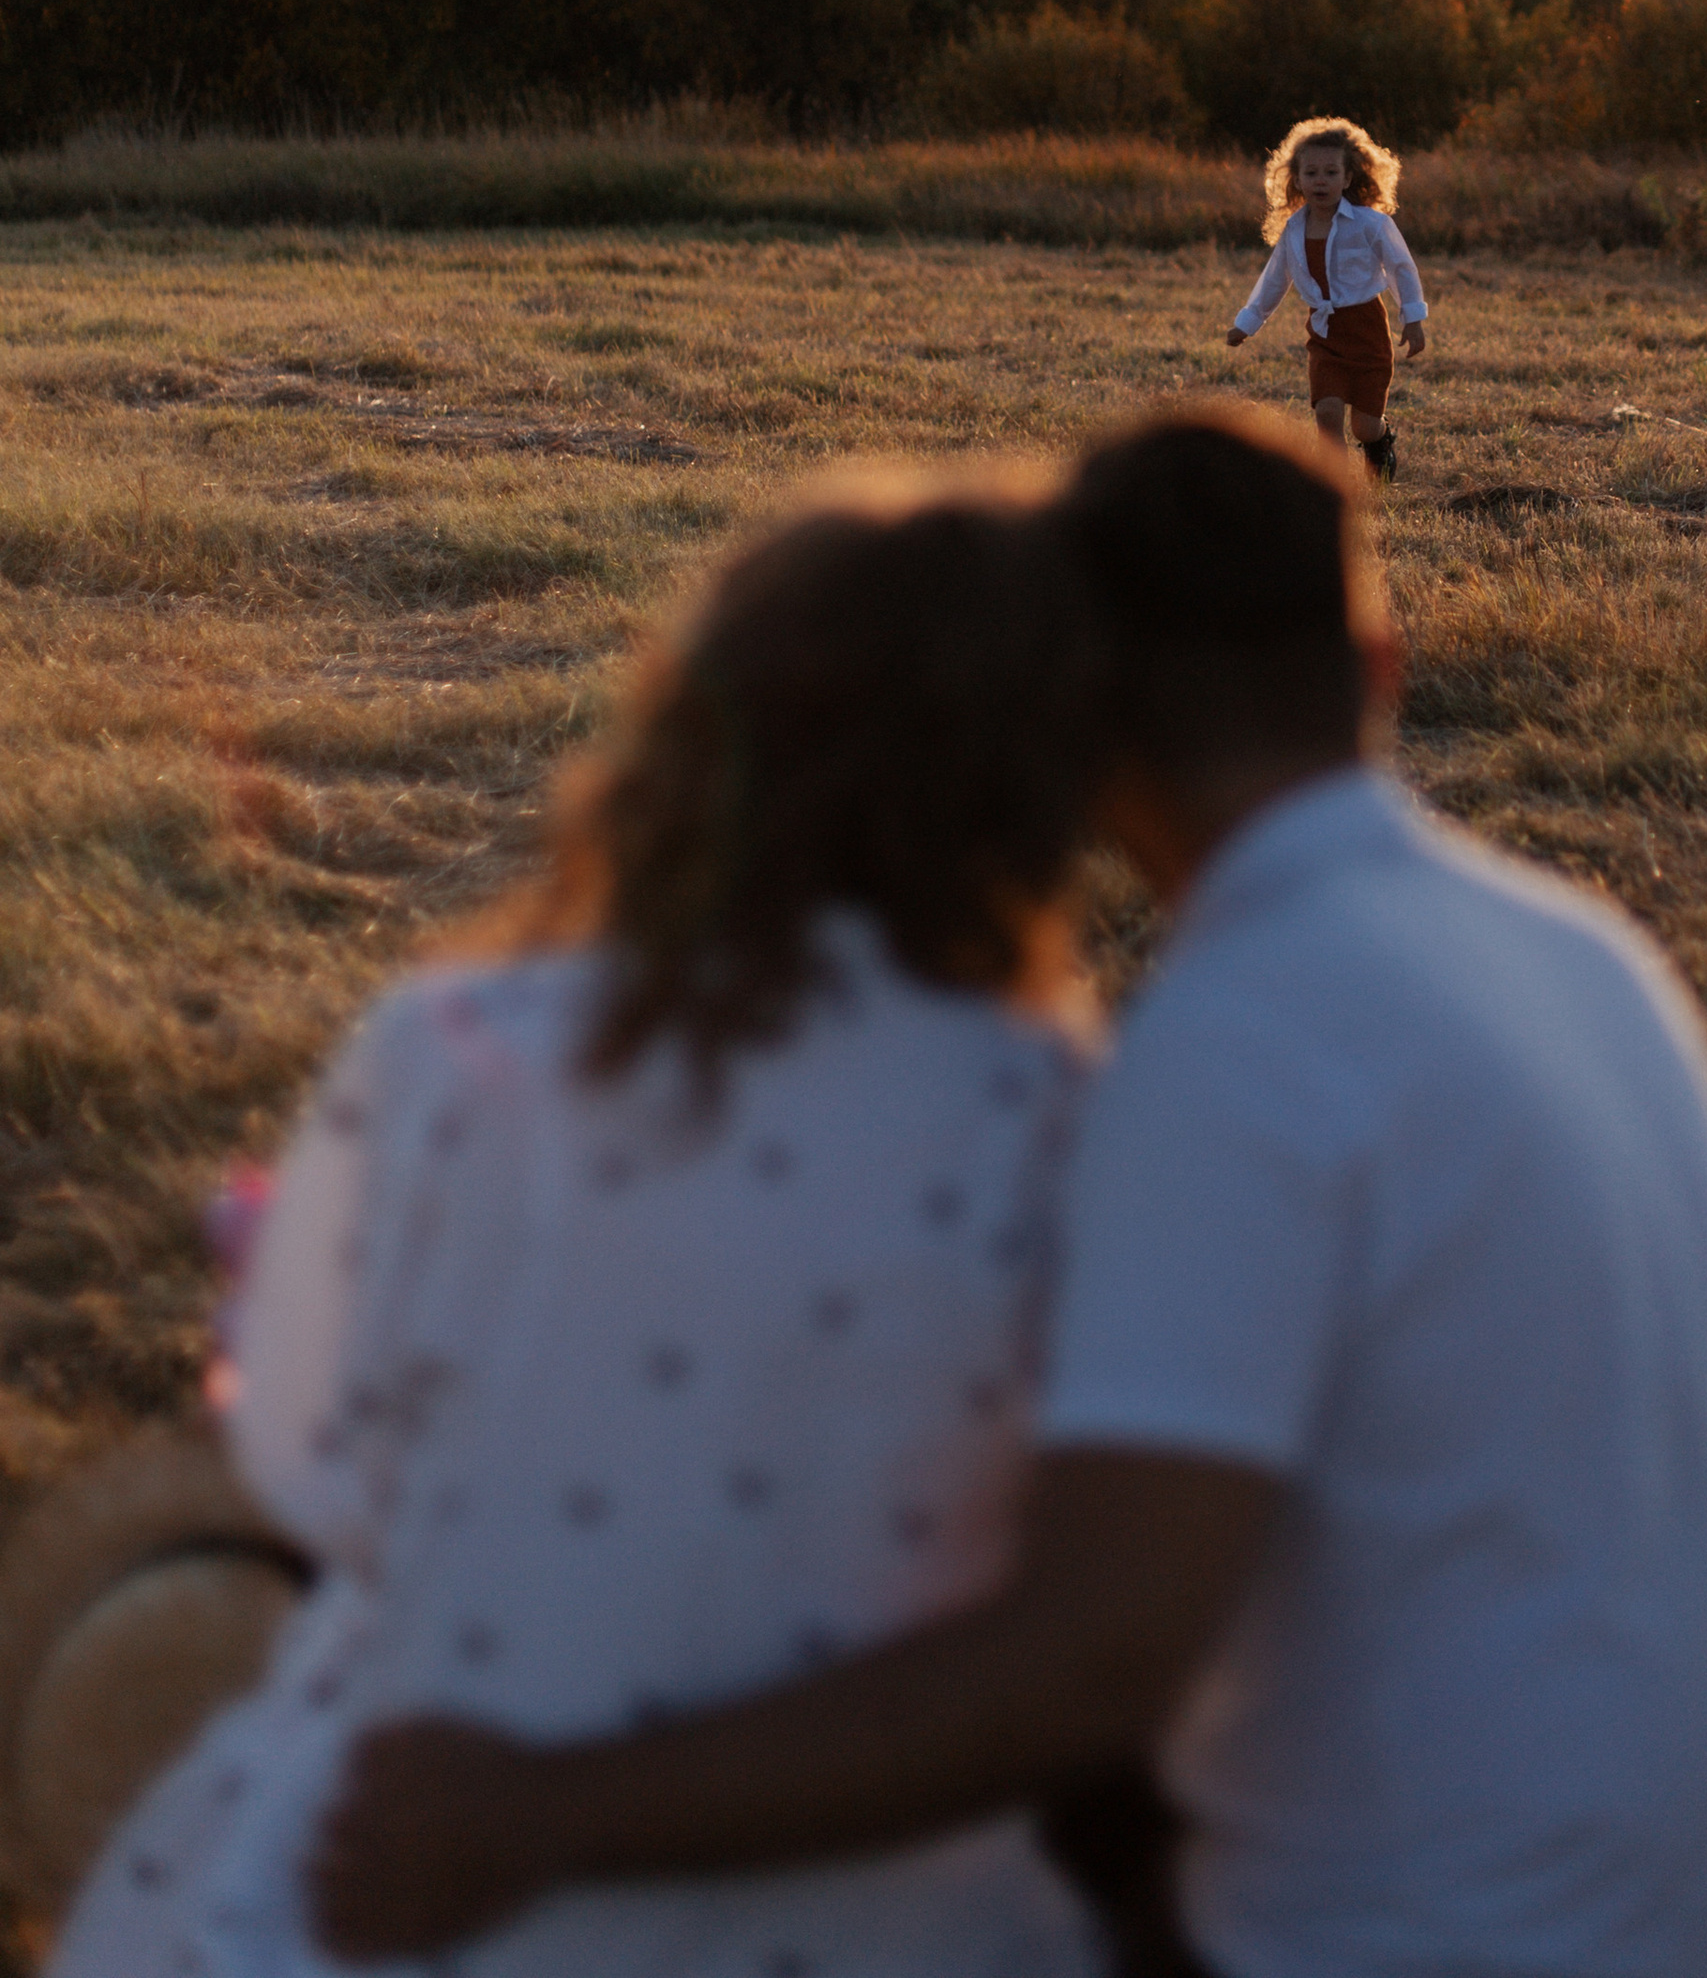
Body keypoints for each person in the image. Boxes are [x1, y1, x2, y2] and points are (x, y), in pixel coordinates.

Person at [310, 405, 1707, 1978]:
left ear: (1085, 727)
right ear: (1380, 669)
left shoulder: (1239, 1048)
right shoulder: (1586, 952)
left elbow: (1094, 1659)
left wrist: (536, 1816)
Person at [53, 472, 1122, 1978]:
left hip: (420, 1846)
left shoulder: (455, 1042)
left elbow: (308, 1457)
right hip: (863, 1883)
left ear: (696, 721)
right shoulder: (1066, 1116)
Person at [1225, 115, 1427, 482]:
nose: (1321, 180)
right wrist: (1247, 323)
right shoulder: (1294, 229)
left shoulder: (1371, 224)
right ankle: (1333, 486)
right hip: (1324, 331)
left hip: (1366, 330)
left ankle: (1379, 442)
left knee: (1364, 426)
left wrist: (1412, 317)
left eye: (1331, 172)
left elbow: (1401, 268)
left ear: (1348, 178)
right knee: (1327, 412)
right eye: (1312, 172)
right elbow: (1274, 279)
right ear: (1297, 180)